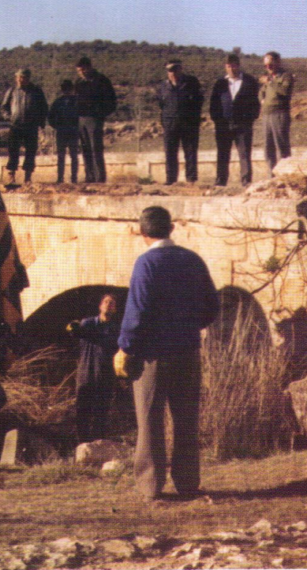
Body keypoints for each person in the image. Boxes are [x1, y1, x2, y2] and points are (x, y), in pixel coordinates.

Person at [115, 206, 219, 502]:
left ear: (142, 232)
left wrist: (126, 346)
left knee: (150, 419)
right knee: (186, 418)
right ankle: (187, 483)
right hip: (187, 349)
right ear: (171, 228)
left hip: (153, 354)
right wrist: (189, 325)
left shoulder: (146, 264)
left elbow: (137, 310)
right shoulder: (193, 260)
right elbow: (211, 306)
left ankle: (151, 487)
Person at [67, 293, 120, 443]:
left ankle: (98, 446)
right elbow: (76, 331)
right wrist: (73, 327)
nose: (109, 304)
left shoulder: (116, 330)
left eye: (112, 303)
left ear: (115, 309)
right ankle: (82, 445)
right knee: (83, 411)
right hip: (87, 373)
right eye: (106, 302)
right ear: (100, 306)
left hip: (106, 376)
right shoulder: (88, 324)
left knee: (102, 412)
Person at [209, 54, 261, 186]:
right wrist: (218, 121)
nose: (231, 68)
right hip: (224, 126)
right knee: (222, 155)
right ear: (225, 67)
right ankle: (220, 182)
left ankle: (246, 181)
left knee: (244, 155)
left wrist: (249, 120)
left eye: (233, 65)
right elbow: (213, 104)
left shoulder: (249, 81)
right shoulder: (220, 83)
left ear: (238, 65)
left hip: (243, 126)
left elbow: (256, 103)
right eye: (228, 66)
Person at [156, 60, 205, 185]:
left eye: (174, 70)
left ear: (180, 69)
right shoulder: (163, 86)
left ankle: (191, 179)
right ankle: (171, 179)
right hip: (170, 124)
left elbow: (199, 102)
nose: (172, 73)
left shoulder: (192, 83)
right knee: (170, 153)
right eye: (169, 71)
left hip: (189, 123)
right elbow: (161, 105)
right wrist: (165, 122)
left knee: (190, 152)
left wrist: (194, 119)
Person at [0, 68, 48, 184]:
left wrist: (40, 122)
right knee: (13, 150)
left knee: (31, 151)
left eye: (24, 77)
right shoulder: (12, 91)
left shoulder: (36, 91)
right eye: (19, 77)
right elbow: (3, 107)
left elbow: (44, 108)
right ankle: (11, 175)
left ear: (28, 78)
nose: (21, 80)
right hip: (15, 126)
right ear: (16, 78)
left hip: (31, 126)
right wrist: (9, 117)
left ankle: (28, 177)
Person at [73, 57, 117, 183]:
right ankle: (89, 177)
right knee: (85, 149)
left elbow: (111, 101)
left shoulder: (102, 80)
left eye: (83, 70)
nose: (81, 73)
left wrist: (100, 114)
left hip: (94, 119)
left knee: (96, 148)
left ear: (89, 67)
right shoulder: (78, 82)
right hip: (81, 119)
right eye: (79, 71)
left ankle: (99, 178)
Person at [259, 51, 294, 174]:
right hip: (267, 115)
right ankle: (271, 175)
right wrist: (262, 99)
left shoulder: (285, 76)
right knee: (268, 148)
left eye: (270, 65)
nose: (268, 67)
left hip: (280, 114)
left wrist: (270, 82)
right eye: (266, 65)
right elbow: (261, 91)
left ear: (278, 62)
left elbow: (284, 91)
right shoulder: (269, 78)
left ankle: (285, 174)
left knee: (281, 146)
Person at [48, 79, 80, 184]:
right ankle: (60, 178)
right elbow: (51, 117)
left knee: (73, 156)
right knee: (61, 156)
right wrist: (57, 126)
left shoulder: (76, 101)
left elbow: (80, 116)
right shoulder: (58, 102)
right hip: (62, 132)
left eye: (68, 89)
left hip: (73, 131)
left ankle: (74, 178)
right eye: (64, 89)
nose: (66, 91)